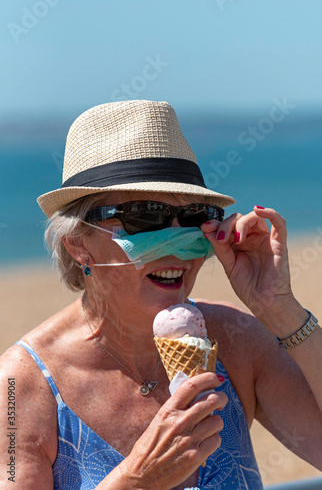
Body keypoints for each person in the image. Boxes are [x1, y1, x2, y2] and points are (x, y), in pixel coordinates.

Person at [0, 100, 321, 490]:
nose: (175, 247)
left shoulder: (235, 341)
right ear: (78, 244)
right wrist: (136, 480)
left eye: (194, 217)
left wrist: (280, 308)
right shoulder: (20, 386)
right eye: (146, 216)